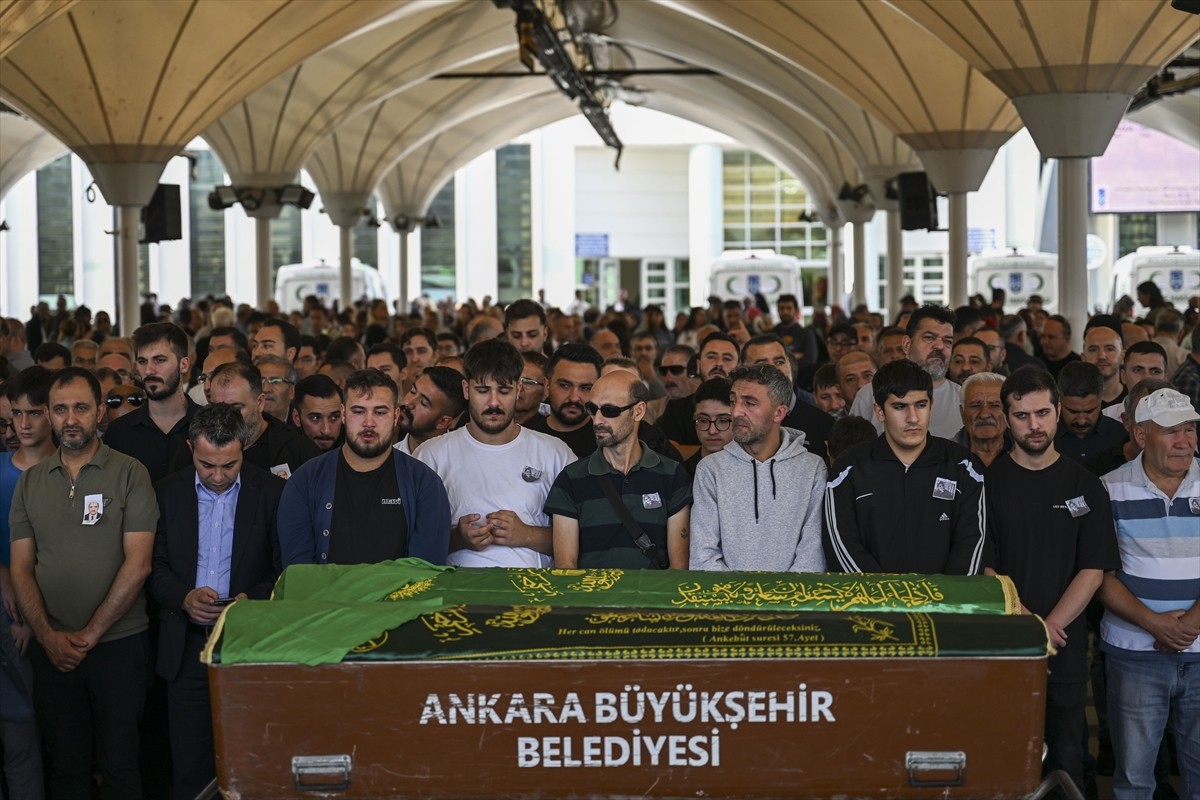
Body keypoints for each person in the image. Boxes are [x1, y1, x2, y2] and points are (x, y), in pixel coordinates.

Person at [9, 367, 159, 799]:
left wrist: (90, 635)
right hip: (50, 650)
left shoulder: (130, 473)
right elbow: (21, 568)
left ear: (99, 412)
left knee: (120, 765)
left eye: (80, 408)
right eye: (59, 410)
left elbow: (140, 563)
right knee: (67, 770)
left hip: (120, 646)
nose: (69, 419)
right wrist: (48, 637)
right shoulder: (31, 483)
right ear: (49, 416)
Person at [983, 366, 1119, 794]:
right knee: (1004, 760)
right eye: (1022, 416)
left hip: (1064, 648)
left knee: (1067, 760)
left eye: (1042, 412)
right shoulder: (987, 484)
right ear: (1006, 419)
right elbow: (983, 566)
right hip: (1004, 648)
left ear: (1058, 411)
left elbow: (1093, 569)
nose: (1034, 425)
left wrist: (1049, 627)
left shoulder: (1087, 485)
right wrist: (1028, 624)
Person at [147, 404, 284, 800]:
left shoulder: (273, 493)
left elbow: (285, 568)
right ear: (190, 447)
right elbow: (152, 565)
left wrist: (251, 601)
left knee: (251, 764)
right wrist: (184, 597)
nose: (219, 476)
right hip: (186, 646)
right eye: (207, 465)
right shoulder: (166, 493)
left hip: (248, 646)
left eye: (230, 464)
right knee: (190, 768)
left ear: (244, 447)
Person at [1098, 388, 1199, 799]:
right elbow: (1096, 573)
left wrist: (1190, 624)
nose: (1185, 441)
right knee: (1135, 779)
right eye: (1172, 431)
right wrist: (1152, 622)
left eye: (1190, 429)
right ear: (1140, 436)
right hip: (1134, 654)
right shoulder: (1107, 489)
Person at [415, 339, 574, 568]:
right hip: (454, 593)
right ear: (466, 390)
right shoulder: (430, 456)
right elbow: (411, 543)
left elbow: (582, 541)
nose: (493, 402)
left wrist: (526, 534)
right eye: (482, 390)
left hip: (535, 595)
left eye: (504, 390)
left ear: (518, 390)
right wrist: (457, 538)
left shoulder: (555, 453)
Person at [824, 359, 986, 575]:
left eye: (920, 405)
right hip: (872, 605)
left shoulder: (964, 467)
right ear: (879, 411)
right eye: (900, 406)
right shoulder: (849, 469)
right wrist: (890, 599)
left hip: (944, 606)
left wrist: (943, 602)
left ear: (931, 405)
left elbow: (972, 543)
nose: (912, 418)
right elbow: (841, 545)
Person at [278, 369, 451, 566]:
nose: (369, 423)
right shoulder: (304, 481)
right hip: (323, 596)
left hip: (400, 597)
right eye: (359, 411)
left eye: (380, 412)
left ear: (396, 416)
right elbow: (298, 572)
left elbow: (425, 573)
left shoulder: (425, 484)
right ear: (343, 413)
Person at [545, 370, 691, 569]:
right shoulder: (570, 479)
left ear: (638, 411)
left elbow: (679, 569)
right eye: (592, 409)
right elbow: (565, 568)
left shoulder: (672, 475)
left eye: (610, 411)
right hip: (590, 598)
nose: (597, 420)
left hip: (652, 598)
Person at [690, 364, 827, 572]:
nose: (735, 412)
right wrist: (744, 600)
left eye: (749, 403)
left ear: (779, 412)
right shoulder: (710, 470)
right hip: (728, 602)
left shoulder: (812, 468)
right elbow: (703, 556)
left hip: (791, 601)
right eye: (733, 401)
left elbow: (813, 553)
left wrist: (778, 599)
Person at [0, 368, 54, 800]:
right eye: (15, 414)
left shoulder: (71, 470)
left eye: (33, 413)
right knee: (18, 735)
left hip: (65, 617)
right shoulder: (1, 470)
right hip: (8, 619)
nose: (23, 424)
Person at [848, 304, 965, 439]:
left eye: (947, 341)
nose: (939, 346)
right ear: (907, 345)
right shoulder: (870, 394)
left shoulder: (964, 399)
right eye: (929, 338)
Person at [105, 322, 199, 482]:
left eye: (159, 360)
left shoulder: (208, 425)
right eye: (142, 361)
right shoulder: (118, 433)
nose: (149, 370)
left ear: (184, 365)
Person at [207, 361, 320, 479]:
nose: (226, 417)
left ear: (260, 402)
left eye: (236, 408)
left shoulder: (297, 450)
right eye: (218, 408)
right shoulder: (200, 445)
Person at [743, 334, 834, 457]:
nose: (775, 369)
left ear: (790, 365)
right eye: (762, 364)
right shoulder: (733, 421)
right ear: (742, 371)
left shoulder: (823, 424)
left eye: (780, 361)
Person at [521, 342, 603, 458]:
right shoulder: (525, 439)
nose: (574, 397)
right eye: (564, 385)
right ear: (547, 386)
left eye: (585, 388)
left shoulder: (607, 443)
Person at [1054, 362, 1126, 464]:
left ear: (1101, 398)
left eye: (1089, 411)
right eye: (1073, 411)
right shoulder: (1045, 437)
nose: (1081, 421)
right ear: (1059, 399)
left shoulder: (1122, 437)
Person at [394, 365, 465, 454]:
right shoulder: (387, 459)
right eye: (413, 391)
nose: (408, 403)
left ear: (443, 422)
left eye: (423, 403)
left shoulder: (461, 462)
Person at [1102, 341, 1169, 423]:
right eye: (1137, 370)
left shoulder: (1180, 420)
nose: (1146, 378)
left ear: (1165, 379)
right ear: (1123, 376)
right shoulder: (1104, 418)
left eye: (1155, 372)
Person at [954, 372, 1010, 468]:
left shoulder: (1027, 454)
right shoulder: (943, 457)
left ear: (1009, 412)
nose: (984, 414)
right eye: (975, 406)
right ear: (962, 413)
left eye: (995, 405)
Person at [684, 378, 733, 476]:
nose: (712, 431)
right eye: (703, 420)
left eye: (723, 421)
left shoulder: (754, 472)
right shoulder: (680, 476)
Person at [1082, 318, 1126, 409]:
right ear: (1083, 357)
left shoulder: (1135, 400)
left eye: (1109, 349)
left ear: (1122, 356)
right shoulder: (1071, 401)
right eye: (1093, 350)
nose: (1102, 356)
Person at [292, 375, 344, 452]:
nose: (326, 431)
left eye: (334, 417)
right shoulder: (283, 455)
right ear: (297, 418)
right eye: (315, 418)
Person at [772, 293, 818, 369]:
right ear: (778, 311)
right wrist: (797, 355)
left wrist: (780, 360)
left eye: (789, 308)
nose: (785, 312)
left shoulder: (807, 334)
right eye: (782, 308)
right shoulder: (771, 334)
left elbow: (811, 360)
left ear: (796, 310)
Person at [255, 354, 298, 424]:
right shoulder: (243, 422)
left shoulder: (302, 423)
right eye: (260, 381)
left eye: (275, 381)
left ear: (292, 391)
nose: (265, 389)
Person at [1041, 315, 1081, 379]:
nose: (1045, 341)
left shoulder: (1079, 366)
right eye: (1043, 336)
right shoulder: (1037, 364)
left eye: (1051, 337)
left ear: (1067, 338)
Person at [515, 350, 548, 425]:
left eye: (528, 382)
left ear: (546, 391)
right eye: (515, 379)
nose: (519, 387)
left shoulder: (546, 435)